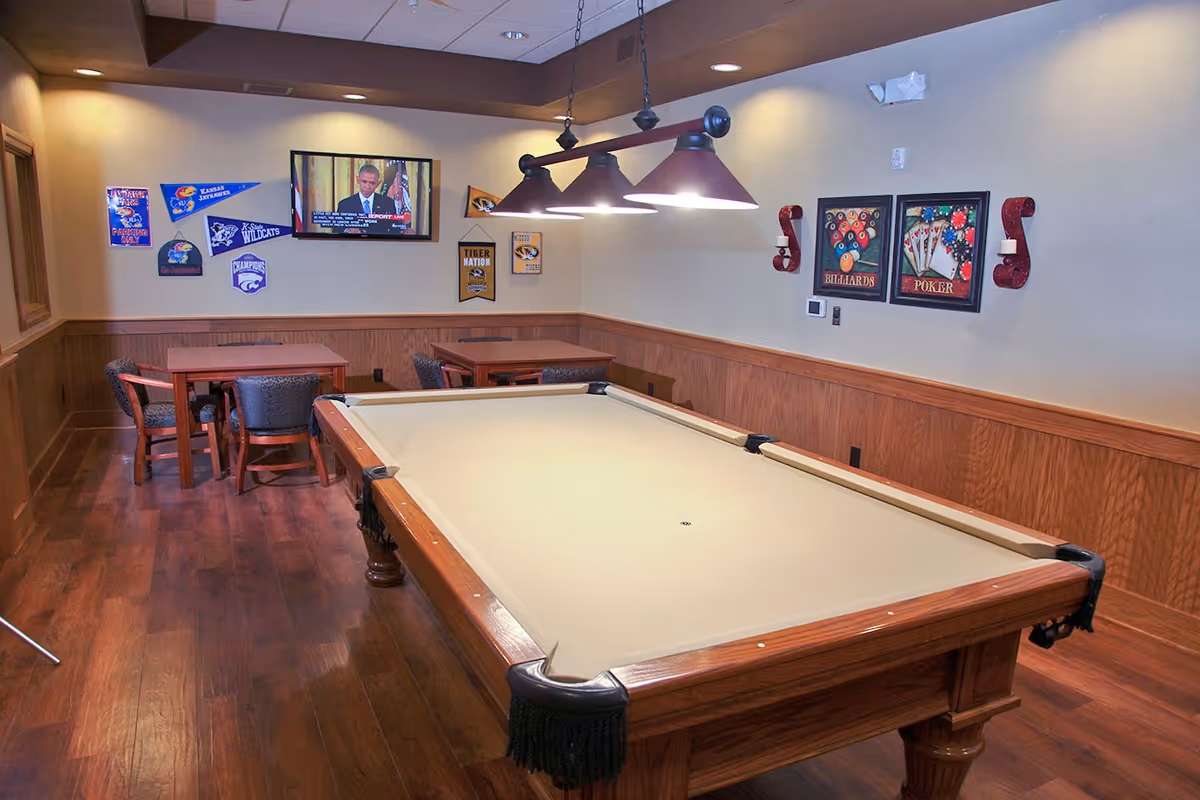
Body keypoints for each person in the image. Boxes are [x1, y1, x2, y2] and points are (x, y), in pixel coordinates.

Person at [335, 164, 397, 233]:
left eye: (372, 183)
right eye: (364, 182)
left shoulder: (388, 203)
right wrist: (346, 230)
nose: (368, 186)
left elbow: (394, 227)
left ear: (378, 184)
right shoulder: (344, 204)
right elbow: (337, 228)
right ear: (358, 180)